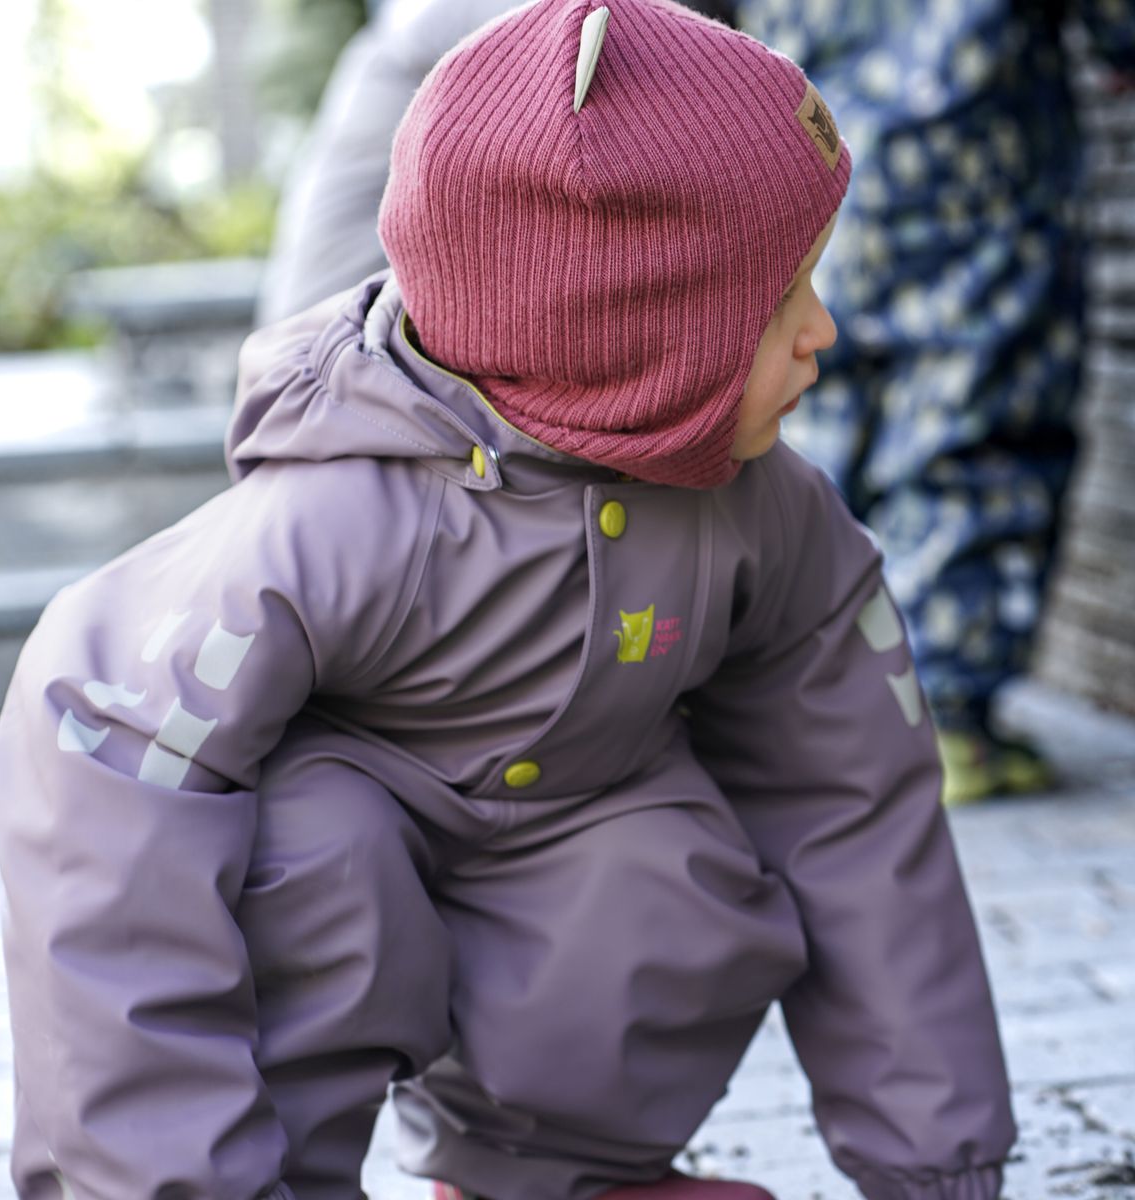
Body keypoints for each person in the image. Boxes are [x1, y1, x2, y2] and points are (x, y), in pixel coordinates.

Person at [0, 3, 1015, 1199]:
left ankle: (552, 1175)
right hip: (347, 846)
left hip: (562, 826)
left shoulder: (770, 516)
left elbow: (856, 805)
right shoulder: (338, 523)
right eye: (781, 294)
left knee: (657, 869)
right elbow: (100, 755)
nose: (821, 332)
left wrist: (938, 1167)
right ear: (629, 332)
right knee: (308, 861)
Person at [257, 0, 1135, 807]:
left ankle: (817, 689)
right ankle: (934, 703)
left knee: (814, 404)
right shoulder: (528, 55)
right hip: (967, 175)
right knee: (973, 434)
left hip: (824, 180)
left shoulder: (446, 54)